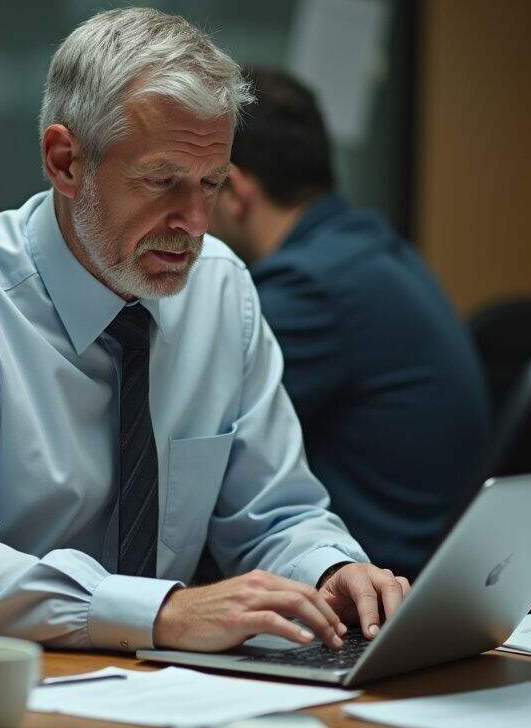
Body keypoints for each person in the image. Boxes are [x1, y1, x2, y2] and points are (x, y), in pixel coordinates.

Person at [0, 8, 408, 654]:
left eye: (212, 184)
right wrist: (162, 614)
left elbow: (275, 512)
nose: (195, 222)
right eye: (162, 182)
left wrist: (331, 568)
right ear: (66, 162)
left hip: (128, 684)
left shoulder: (221, 291)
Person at [207, 66, 490, 578]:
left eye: (203, 183)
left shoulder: (310, 288)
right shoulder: (372, 251)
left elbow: (202, 437)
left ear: (235, 190)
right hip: (423, 559)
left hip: (369, 578)